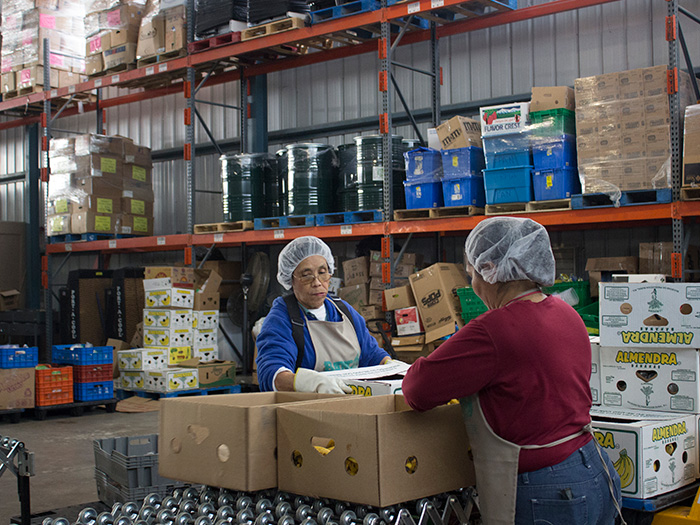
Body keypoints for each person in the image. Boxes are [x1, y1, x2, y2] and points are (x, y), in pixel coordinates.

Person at [402, 217, 622, 525]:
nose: (473, 287)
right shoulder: (566, 313)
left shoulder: (494, 330)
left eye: (472, 275)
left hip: (548, 491)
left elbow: (417, 389)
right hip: (594, 471)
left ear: (490, 271)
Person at [256, 236, 391, 393]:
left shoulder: (344, 312)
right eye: (306, 275)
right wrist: (310, 383)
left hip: (352, 405)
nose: (317, 282)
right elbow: (272, 375)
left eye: (322, 272)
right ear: (291, 279)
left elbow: (371, 354)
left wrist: (390, 365)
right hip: (305, 412)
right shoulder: (282, 319)